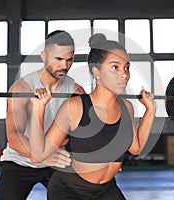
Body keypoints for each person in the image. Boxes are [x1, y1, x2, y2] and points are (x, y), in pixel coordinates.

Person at [29, 33, 156, 200]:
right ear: (96, 71)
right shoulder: (74, 107)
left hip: (106, 190)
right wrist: (39, 109)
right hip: (68, 190)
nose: (124, 74)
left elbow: (135, 148)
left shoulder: (127, 107)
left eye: (126, 67)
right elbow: (38, 155)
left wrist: (151, 110)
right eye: (115, 67)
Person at [0, 30, 85, 200]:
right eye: (58, 59)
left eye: (69, 60)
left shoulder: (76, 92)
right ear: (43, 56)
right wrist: (43, 155)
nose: (64, 66)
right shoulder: (22, 88)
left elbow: (82, 136)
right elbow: (14, 136)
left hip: (57, 161)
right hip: (19, 161)